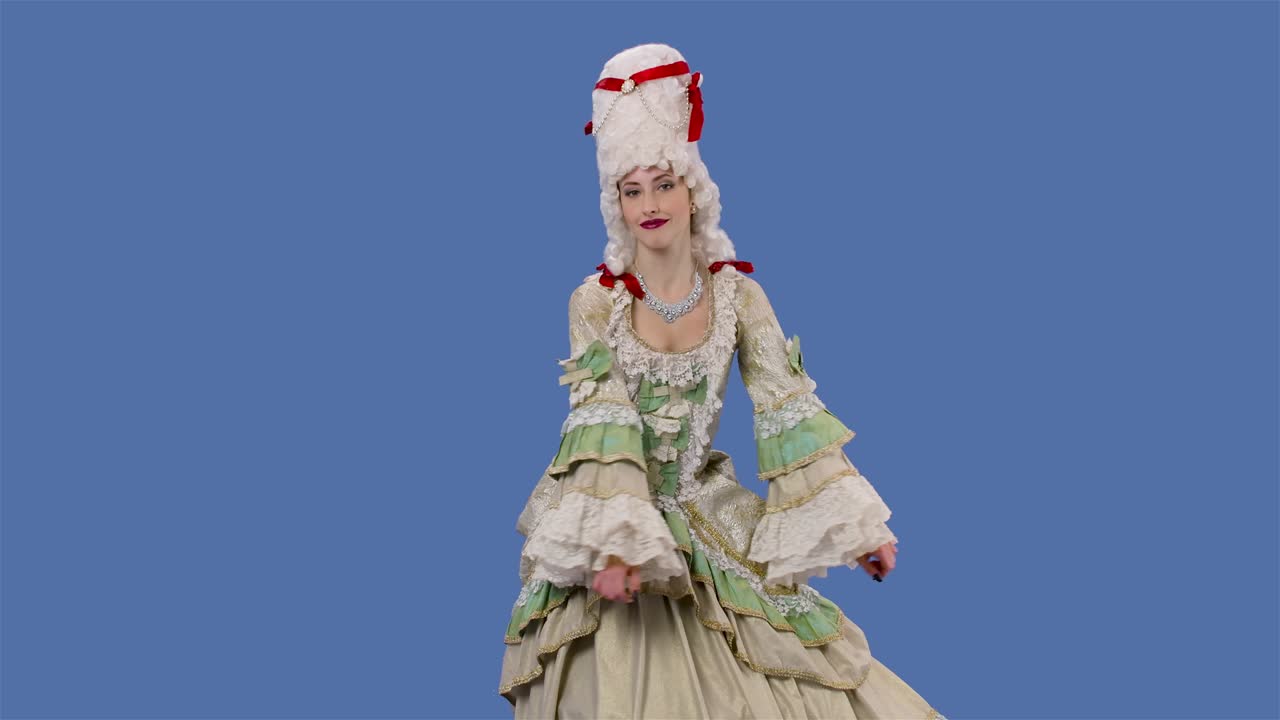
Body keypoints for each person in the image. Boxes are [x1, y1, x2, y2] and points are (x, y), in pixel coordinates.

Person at [498, 42, 946, 719]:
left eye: (663, 183)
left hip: (710, 514)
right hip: (618, 525)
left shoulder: (739, 297)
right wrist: (616, 548)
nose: (649, 203)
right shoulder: (595, 301)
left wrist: (858, 534)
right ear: (615, 201)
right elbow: (604, 422)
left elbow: (786, 407)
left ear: (693, 188)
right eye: (631, 188)